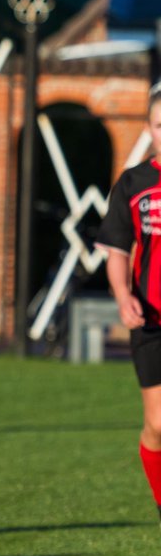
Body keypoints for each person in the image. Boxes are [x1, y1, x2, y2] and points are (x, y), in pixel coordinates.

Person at [96, 82, 161, 525]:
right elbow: (116, 248)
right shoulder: (135, 183)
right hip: (152, 319)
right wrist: (122, 296)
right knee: (158, 425)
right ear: (150, 128)